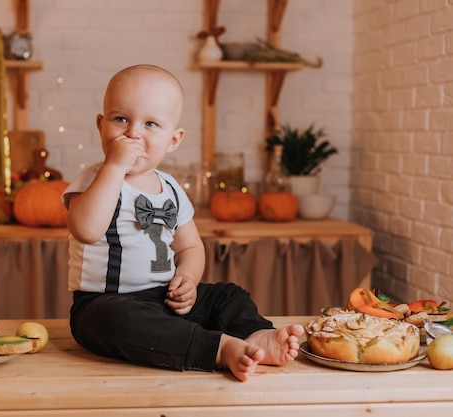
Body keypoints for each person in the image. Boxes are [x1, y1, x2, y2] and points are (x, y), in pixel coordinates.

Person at [62, 64, 304, 382]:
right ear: (100, 125)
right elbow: (86, 229)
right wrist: (114, 167)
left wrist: (188, 278)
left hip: (164, 298)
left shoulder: (172, 188)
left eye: (150, 123)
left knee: (227, 295)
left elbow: (190, 245)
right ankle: (216, 349)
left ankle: (255, 335)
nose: (133, 133)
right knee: (119, 321)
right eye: (120, 119)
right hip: (106, 304)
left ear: (173, 140)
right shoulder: (95, 179)